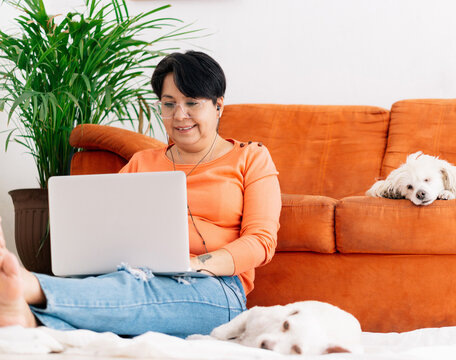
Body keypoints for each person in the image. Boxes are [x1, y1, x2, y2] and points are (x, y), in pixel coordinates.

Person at [0, 51, 281, 337]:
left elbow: (261, 241)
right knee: (127, 286)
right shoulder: (142, 162)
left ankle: (30, 287)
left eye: (192, 103)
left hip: (217, 286)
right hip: (137, 275)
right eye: (169, 104)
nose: (179, 116)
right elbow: (108, 229)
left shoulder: (251, 158)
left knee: (134, 289)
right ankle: (28, 319)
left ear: (218, 106)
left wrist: (196, 265)